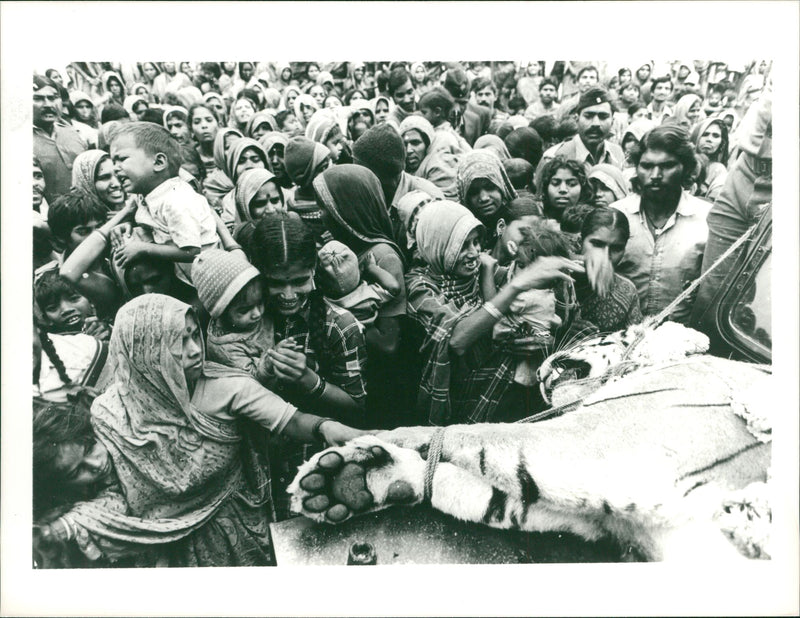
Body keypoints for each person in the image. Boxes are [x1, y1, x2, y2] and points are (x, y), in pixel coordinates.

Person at [34, 293, 366, 567]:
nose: (196, 350)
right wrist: (71, 525)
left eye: (195, 335)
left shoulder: (226, 386)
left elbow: (293, 421)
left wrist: (328, 427)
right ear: (144, 353)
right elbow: (119, 491)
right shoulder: (110, 414)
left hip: (236, 530)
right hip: (163, 545)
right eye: (179, 343)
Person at [405, 200, 583, 425]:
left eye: (477, 242)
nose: (474, 253)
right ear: (436, 244)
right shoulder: (420, 287)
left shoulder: (486, 272)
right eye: (462, 245)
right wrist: (516, 287)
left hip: (505, 396)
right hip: (457, 403)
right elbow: (457, 340)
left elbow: (542, 311)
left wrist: (542, 340)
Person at [611, 124, 710, 323]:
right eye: (647, 166)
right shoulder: (615, 215)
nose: (655, 175)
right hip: (616, 340)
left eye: (666, 166)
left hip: (683, 341)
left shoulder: (707, 219)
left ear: (686, 169)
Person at [109, 122, 221, 287]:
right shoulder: (148, 194)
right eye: (113, 162)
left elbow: (192, 251)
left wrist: (142, 248)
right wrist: (129, 225)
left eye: (122, 159)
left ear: (159, 162)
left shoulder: (176, 200)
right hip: (186, 275)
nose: (115, 169)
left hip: (209, 279)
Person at [488, 224, 571, 387]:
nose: (528, 275)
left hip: (517, 373)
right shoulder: (509, 275)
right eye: (521, 265)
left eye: (536, 270)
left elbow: (494, 309)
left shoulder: (530, 296)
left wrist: (486, 272)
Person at [352, 123, 444, 245]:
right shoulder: (363, 194)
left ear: (383, 175)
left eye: (362, 172)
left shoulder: (428, 201)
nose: (355, 177)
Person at [537, 88, 625, 188]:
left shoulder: (617, 154)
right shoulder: (553, 156)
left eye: (603, 116)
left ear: (612, 121)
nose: (595, 124)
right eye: (588, 116)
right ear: (576, 119)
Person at [573, 207, 643, 332]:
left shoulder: (626, 291)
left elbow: (635, 343)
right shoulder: (556, 282)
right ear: (580, 241)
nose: (606, 256)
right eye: (597, 244)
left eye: (616, 248)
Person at [317, 240, 400, 327]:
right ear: (358, 270)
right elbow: (394, 287)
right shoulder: (368, 296)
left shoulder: (327, 303)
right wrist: (372, 268)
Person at [34, 76, 88, 204]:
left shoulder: (73, 133)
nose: (48, 104)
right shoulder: (15, 142)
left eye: (53, 98)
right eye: (38, 98)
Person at [456, 150, 517, 236]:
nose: (484, 198)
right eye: (474, 192)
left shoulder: (518, 222)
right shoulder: (460, 232)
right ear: (465, 197)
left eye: (490, 187)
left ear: (501, 187)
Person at [398, 115, 459, 199]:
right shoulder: (404, 167)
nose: (409, 150)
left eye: (415, 143)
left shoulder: (438, 166)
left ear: (427, 144)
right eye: (404, 144)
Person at [283, 136, 332, 239]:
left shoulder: (337, 195)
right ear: (307, 178)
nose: (330, 170)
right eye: (323, 168)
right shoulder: (294, 212)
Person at [538, 156, 593, 226]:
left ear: (582, 188)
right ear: (546, 187)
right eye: (555, 183)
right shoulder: (536, 218)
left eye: (571, 184)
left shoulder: (591, 220)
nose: (563, 189)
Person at [488, 196, 542, 266]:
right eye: (524, 233)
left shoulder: (533, 269)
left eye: (536, 236)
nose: (531, 241)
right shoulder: (477, 263)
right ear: (501, 227)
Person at [187, 103, 221, 175]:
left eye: (209, 120)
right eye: (197, 122)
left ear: (218, 124)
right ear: (191, 128)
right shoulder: (188, 158)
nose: (204, 125)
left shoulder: (228, 153)